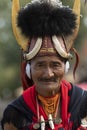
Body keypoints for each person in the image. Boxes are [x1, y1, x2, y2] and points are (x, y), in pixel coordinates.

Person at [1, 0, 87, 130]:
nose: (48, 73)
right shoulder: (15, 114)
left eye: (55, 65)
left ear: (65, 67)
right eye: (40, 65)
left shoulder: (83, 103)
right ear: (29, 68)